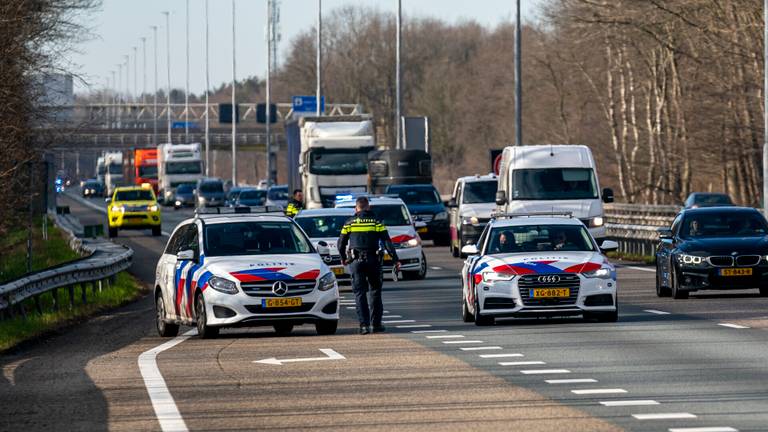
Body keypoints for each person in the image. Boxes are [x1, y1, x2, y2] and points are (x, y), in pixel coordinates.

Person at [338, 196, 400, 335]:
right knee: (375, 292)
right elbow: (387, 242)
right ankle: (376, 325)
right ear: (368, 207)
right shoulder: (377, 222)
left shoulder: (349, 223)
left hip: (356, 262)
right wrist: (395, 259)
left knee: (360, 294)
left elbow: (341, 243)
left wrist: (344, 258)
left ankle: (364, 326)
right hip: (374, 261)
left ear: (356, 208)